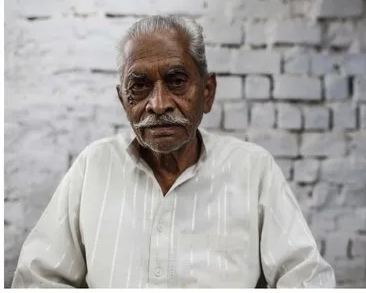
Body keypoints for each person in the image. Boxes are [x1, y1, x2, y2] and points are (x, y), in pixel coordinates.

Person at [12, 15, 335, 288]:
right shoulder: (93, 167)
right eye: (139, 86)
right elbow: (38, 279)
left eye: (176, 81)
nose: (158, 104)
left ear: (207, 93)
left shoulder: (253, 169)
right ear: (123, 101)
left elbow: (307, 279)